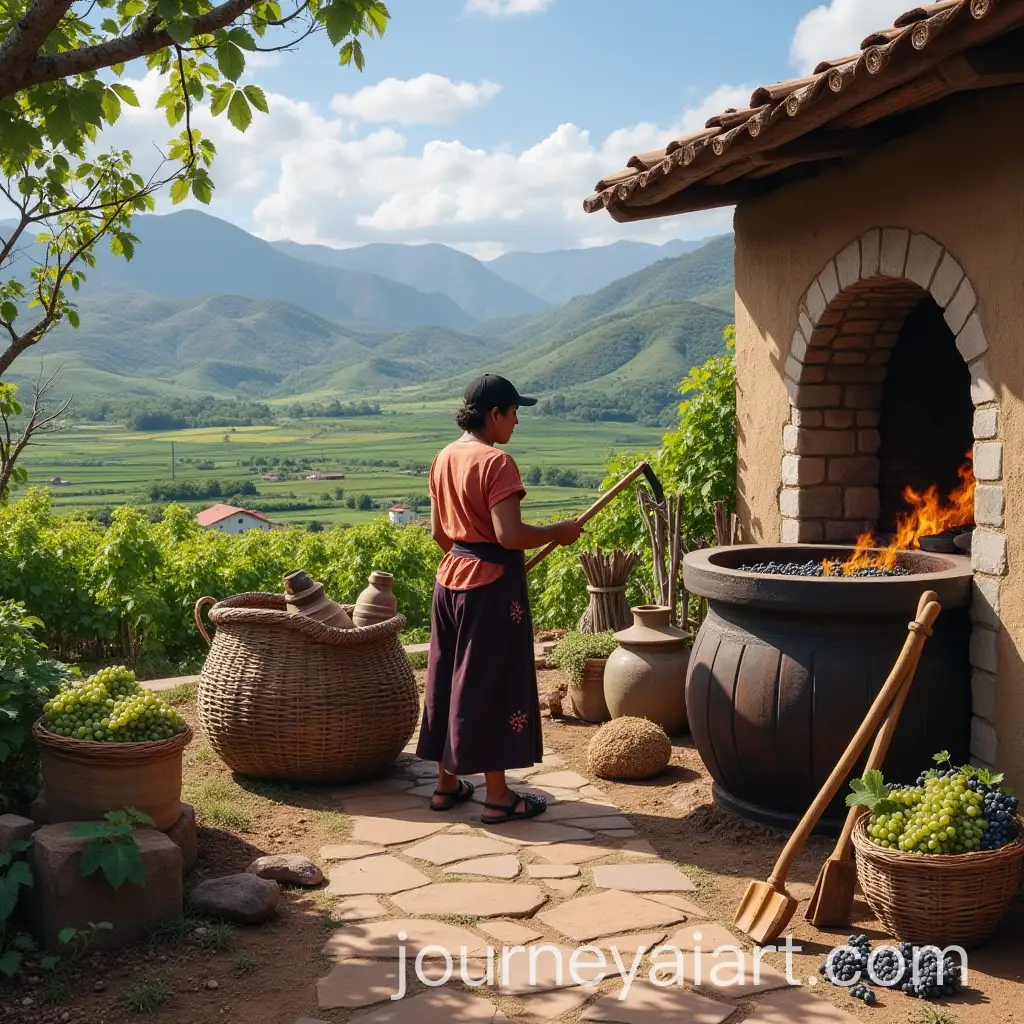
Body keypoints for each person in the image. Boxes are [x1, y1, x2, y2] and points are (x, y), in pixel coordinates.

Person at [416, 374, 584, 823]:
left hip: (450, 579)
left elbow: (439, 534)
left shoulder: (442, 458)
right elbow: (510, 535)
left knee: (449, 677)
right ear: (495, 415)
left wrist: (470, 556)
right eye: (513, 414)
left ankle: (446, 784)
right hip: (489, 590)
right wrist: (558, 534)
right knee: (488, 681)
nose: (516, 423)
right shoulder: (496, 463)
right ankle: (497, 797)